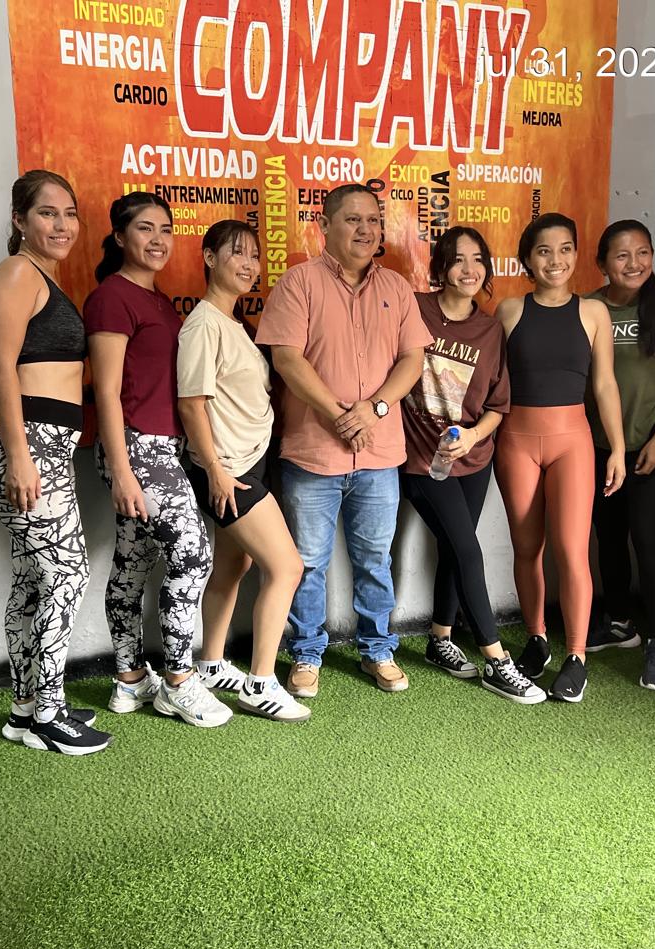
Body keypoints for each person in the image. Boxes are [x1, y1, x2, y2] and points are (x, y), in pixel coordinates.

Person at [255, 184, 432, 697]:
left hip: (379, 454)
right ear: (324, 225)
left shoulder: (396, 287)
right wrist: (338, 415)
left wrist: (373, 409)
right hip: (312, 453)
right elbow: (286, 358)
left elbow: (412, 359)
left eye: (374, 220)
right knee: (307, 563)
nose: (365, 229)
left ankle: (378, 649)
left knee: (375, 560)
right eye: (353, 219)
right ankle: (306, 653)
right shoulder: (298, 283)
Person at [0, 169, 111, 755]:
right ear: (19, 220)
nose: (62, 224)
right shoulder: (15, 273)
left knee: (34, 579)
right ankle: (49, 716)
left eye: (69, 213)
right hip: (27, 447)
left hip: (46, 449)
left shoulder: (42, 277)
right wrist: (18, 456)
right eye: (48, 213)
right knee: (67, 575)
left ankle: (25, 710)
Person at [84, 192, 229, 728]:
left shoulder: (159, 301)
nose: (158, 239)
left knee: (133, 563)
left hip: (162, 447)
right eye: (145, 228)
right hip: (137, 449)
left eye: (166, 229)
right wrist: (122, 470)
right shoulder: (111, 298)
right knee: (192, 557)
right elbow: (106, 391)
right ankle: (178, 681)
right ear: (120, 236)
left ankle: (129, 679)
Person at [399, 227, 545, 705]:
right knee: (468, 549)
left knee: (453, 547)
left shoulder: (490, 330)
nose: (469, 269)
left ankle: (440, 638)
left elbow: (498, 406)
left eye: (478, 259)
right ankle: (497, 661)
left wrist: (473, 439)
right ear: (441, 267)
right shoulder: (414, 309)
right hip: (422, 460)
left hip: (474, 457)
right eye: (458, 259)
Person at [176, 220, 310, 722]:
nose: (249, 264)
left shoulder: (234, 323)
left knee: (235, 566)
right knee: (287, 567)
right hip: (228, 470)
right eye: (237, 253)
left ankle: (211, 664)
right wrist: (213, 469)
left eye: (254, 255)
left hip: (249, 462)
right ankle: (260, 683)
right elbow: (191, 404)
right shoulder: (203, 325)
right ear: (209, 257)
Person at [494, 212, 626, 703]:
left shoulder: (594, 313)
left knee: (572, 550)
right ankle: (536, 638)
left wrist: (616, 448)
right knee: (527, 547)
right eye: (544, 251)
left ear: (576, 254)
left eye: (566, 249)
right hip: (516, 441)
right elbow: (491, 383)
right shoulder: (509, 311)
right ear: (528, 259)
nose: (556, 260)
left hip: (573, 441)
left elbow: (605, 384)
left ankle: (576, 655)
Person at [584, 220, 655, 692]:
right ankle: (619, 623)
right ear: (602, 263)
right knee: (608, 536)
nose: (634, 264)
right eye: (622, 255)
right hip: (599, 445)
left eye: (643, 253)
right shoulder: (588, 308)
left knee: (649, 541)